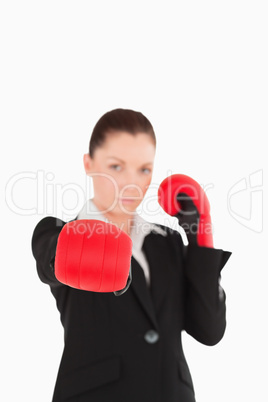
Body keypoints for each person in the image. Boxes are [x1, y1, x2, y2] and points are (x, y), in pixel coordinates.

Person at [31, 108, 232, 402]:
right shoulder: (61, 232)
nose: (131, 182)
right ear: (88, 164)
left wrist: (200, 235)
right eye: (116, 166)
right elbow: (54, 257)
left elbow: (209, 331)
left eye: (144, 169)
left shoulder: (169, 242)